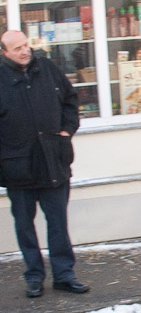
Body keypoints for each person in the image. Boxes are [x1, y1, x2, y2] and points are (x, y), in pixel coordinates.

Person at [0, 30, 87, 298]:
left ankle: (64, 275)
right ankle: (34, 276)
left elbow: (70, 100)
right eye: (17, 48)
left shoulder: (47, 68)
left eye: (26, 45)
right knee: (25, 226)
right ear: (4, 52)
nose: (25, 51)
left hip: (53, 161)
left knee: (58, 222)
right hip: (18, 166)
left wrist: (66, 131)